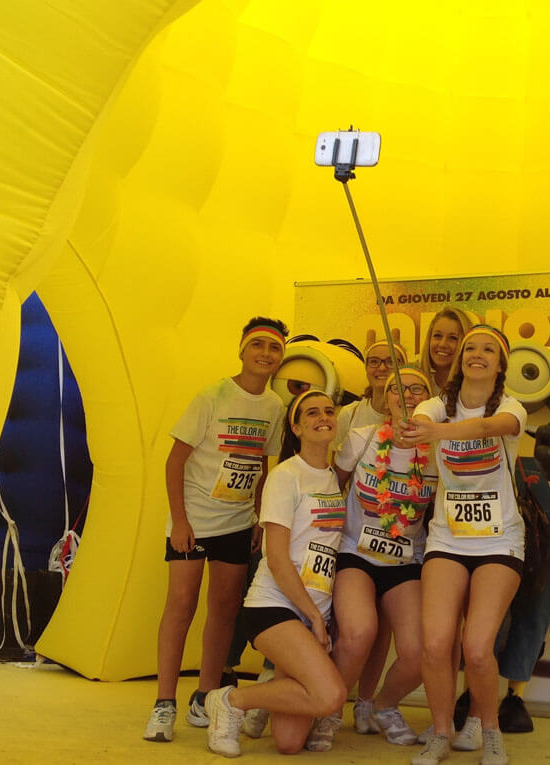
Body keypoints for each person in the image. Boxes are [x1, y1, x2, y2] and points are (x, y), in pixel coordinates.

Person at [143, 317, 288, 744]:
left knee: (225, 608)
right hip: (194, 520)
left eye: (274, 348)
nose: (265, 354)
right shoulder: (212, 396)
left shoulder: (275, 407)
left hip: (237, 523)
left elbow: (263, 466)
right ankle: (163, 704)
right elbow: (175, 461)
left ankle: (206, 697)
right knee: (181, 605)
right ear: (242, 349)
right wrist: (180, 520)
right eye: (258, 344)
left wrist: (259, 516)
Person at [401, 325, 527, 765]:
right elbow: (420, 422)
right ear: (459, 360)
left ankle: (490, 730)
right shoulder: (437, 405)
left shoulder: (512, 407)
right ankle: (440, 733)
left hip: (500, 540)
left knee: (476, 647)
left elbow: (493, 426)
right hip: (447, 539)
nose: (477, 354)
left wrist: (438, 433)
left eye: (488, 349)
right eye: (470, 347)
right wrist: (418, 428)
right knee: (436, 644)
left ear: (500, 363)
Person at [201, 389, 348, 757]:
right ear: (296, 428)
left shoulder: (332, 476)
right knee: (330, 696)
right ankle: (229, 701)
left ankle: (266, 692)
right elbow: (278, 560)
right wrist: (315, 617)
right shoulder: (285, 476)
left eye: (328, 411)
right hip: (274, 607)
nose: (322, 417)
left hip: (312, 610)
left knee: (288, 743)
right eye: (311, 413)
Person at [305, 364, 438, 752]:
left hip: (405, 561)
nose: (407, 395)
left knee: (420, 651)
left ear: (429, 400)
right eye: (399, 388)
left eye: (417, 389)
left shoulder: (437, 451)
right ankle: (329, 711)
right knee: (359, 633)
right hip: (355, 554)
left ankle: (384, 705)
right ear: (386, 399)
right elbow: (332, 488)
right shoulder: (362, 438)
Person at [331, 340, 408, 454]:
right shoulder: (349, 414)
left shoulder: (414, 417)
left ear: (404, 368)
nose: (382, 368)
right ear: (366, 368)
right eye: (374, 361)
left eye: (391, 362)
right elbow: (335, 460)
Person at [418, 307, 471, 395]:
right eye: (437, 336)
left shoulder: (474, 390)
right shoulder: (416, 386)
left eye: (453, 338)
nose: (443, 344)